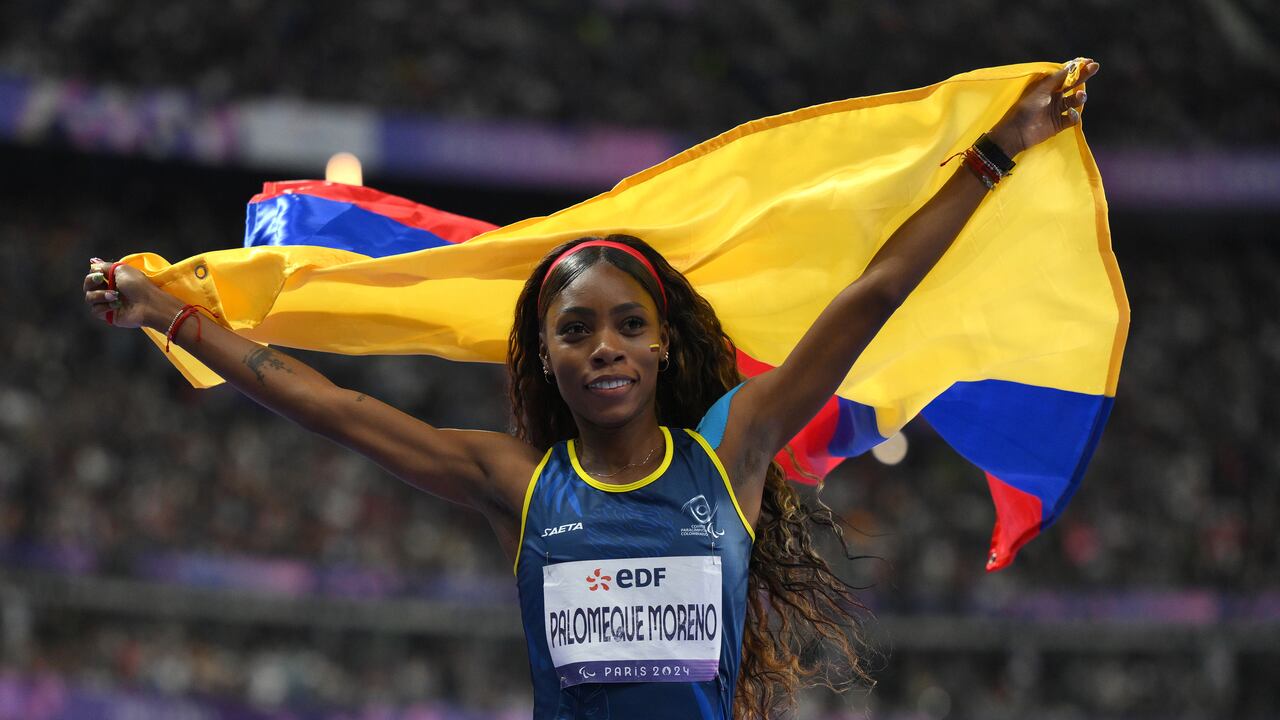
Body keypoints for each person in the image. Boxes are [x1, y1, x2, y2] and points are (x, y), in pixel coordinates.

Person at [83, 59, 1098, 720]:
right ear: (546, 360)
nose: (603, 347)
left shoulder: (731, 447)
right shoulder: (515, 484)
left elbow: (872, 291)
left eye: (625, 326)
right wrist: (172, 316)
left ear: (661, 349)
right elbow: (326, 404)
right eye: (574, 331)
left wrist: (992, 156)